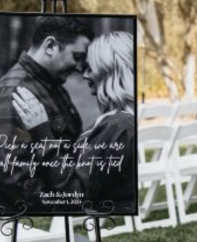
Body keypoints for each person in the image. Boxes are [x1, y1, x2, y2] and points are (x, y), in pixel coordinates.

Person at [11, 30, 137, 215]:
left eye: (90, 68)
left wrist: (41, 132)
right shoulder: (125, 120)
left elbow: (74, 195)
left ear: (110, 71)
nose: (84, 75)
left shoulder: (118, 125)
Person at [0, 16, 93, 214]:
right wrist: (70, 204)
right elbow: (12, 181)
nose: (79, 67)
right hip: (28, 226)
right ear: (50, 45)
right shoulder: (11, 93)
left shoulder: (52, 84)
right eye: (76, 56)